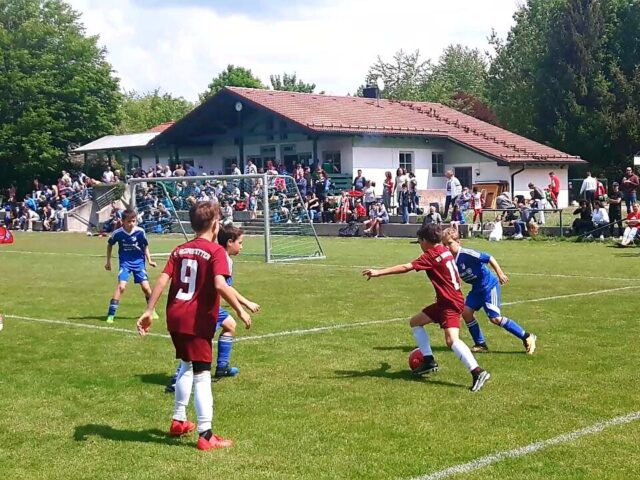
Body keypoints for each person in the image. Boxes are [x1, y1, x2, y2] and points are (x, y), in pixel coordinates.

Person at [137, 201, 251, 451]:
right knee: (202, 374)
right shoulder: (215, 251)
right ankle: (206, 434)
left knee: (187, 365)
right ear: (215, 224)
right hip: (196, 319)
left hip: (175, 316)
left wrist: (149, 310)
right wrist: (240, 310)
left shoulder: (180, 249)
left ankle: (179, 421)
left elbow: (162, 279)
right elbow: (220, 285)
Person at [362, 224, 490, 392]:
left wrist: (379, 272)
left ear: (425, 241)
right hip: (448, 299)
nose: (420, 245)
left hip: (450, 303)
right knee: (415, 322)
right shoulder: (444, 250)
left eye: (419, 241)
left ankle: (477, 372)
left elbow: (406, 267)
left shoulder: (431, 255)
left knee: (452, 340)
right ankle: (429, 361)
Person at [442, 228, 537, 354]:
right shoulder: (450, 259)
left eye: (449, 243)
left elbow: (489, 257)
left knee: (495, 319)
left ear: (458, 242)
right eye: (444, 244)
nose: (446, 247)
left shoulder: (467, 254)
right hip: (477, 289)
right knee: (466, 313)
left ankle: (527, 336)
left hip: (489, 286)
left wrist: (500, 274)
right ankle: (481, 344)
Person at [104, 209, 157, 323]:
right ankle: (111, 314)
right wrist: (108, 262)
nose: (131, 223)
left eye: (133, 221)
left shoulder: (140, 232)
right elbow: (110, 245)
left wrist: (149, 260)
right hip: (125, 263)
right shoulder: (118, 233)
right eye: (129, 221)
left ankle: (151, 310)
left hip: (139, 263)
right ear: (123, 221)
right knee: (121, 287)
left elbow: (145, 246)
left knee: (146, 288)